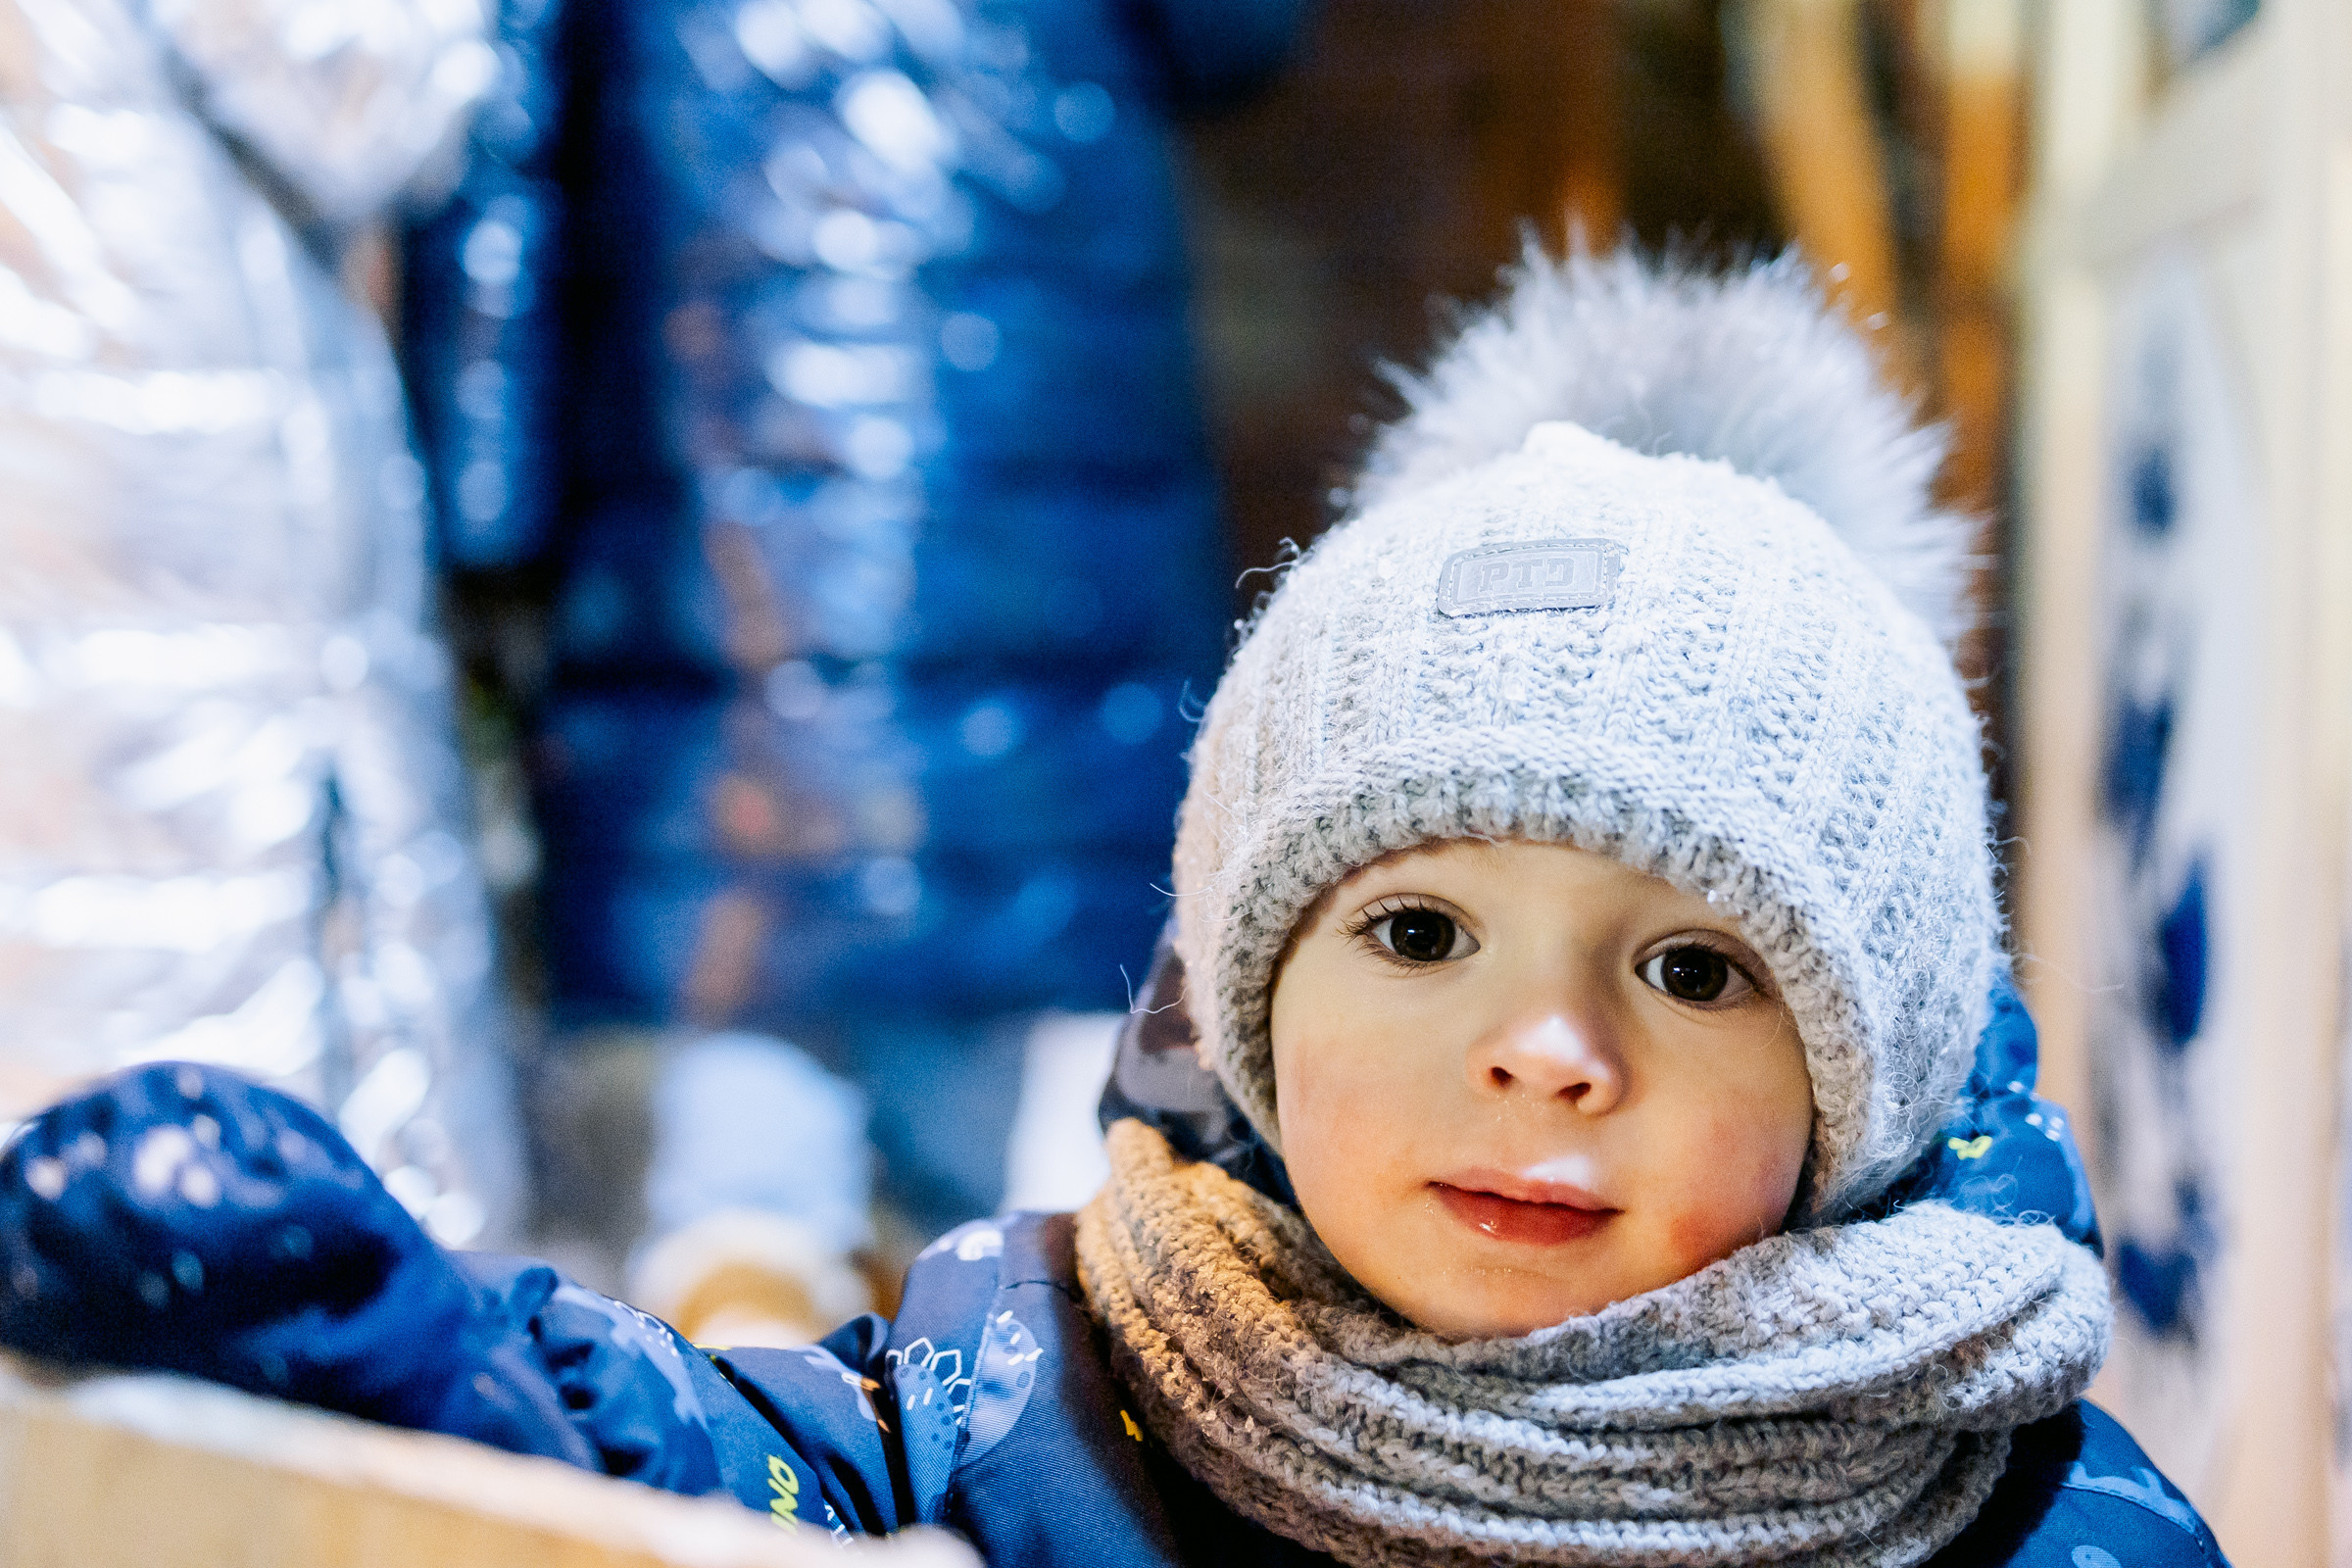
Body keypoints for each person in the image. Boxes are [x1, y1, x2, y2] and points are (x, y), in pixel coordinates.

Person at [0, 250, 2225, 1567]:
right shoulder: (1063, 1371)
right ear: (1240, 998)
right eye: (1419, 929)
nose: (1550, 1048)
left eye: (1693, 962)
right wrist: (402, 1340)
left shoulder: (2009, 1510)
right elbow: (712, 1466)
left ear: (1877, 1075)